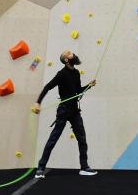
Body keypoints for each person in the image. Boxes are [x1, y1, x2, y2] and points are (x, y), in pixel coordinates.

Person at [31, 50, 98, 179]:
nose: (74, 54)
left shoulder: (77, 73)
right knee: (53, 139)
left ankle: (84, 167)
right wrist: (37, 103)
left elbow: (78, 91)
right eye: (70, 54)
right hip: (64, 110)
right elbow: (47, 87)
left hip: (74, 111)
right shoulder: (61, 74)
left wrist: (89, 86)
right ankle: (40, 168)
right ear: (67, 60)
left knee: (82, 139)